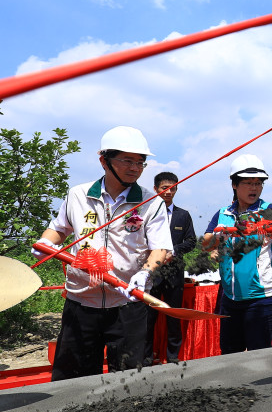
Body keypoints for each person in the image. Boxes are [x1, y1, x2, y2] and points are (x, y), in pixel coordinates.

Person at [34, 126, 172, 381]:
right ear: (104, 161)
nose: (135, 168)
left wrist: (145, 273)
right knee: (73, 379)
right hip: (81, 302)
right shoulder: (79, 195)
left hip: (128, 303)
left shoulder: (150, 202)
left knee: (131, 380)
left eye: (140, 162)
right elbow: (58, 229)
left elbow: (160, 248)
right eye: (127, 161)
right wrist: (44, 243)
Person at [203, 155, 272, 353]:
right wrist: (217, 235)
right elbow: (206, 244)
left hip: (262, 298)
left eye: (258, 183)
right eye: (248, 183)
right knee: (231, 355)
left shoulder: (268, 210)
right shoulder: (223, 213)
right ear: (234, 185)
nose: (254, 188)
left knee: (259, 355)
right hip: (230, 298)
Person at [143, 171, 197, 365]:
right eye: (164, 188)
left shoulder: (183, 215)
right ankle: (147, 357)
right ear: (156, 188)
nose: (168, 192)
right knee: (148, 318)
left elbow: (191, 241)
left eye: (172, 188)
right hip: (151, 273)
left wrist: (173, 251)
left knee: (174, 317)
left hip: (174, 273)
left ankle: (173, 356)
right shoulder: (145, 212)